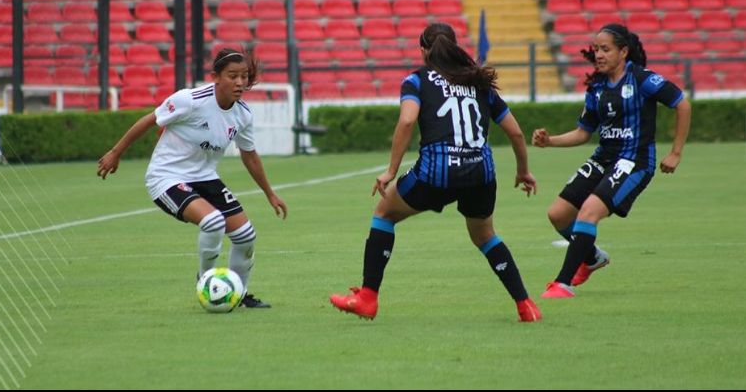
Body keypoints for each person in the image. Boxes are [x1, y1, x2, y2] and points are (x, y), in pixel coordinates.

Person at [329, 23, 542, 322]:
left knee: (384, 214)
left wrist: (390, 171)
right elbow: (517, 133)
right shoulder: (478, 82)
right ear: (455, 47)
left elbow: (406, 122)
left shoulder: (417, 80)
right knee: (485, 236)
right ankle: (525, 305)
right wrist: (523, 171)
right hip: (481, 174)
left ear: (423, 51)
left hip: (437, 172)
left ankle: (368, 297)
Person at [97, 47, 288, 308]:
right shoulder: (191, 100)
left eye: (244, 76)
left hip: (206, 177)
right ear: (216, 77)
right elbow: (149, 120)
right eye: (233, 76)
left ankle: (240, 294)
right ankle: (206, 282)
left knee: (246, 235)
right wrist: (115, 153)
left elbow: (250, 155)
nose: (240, 82)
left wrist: (270, 193)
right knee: (213, 222)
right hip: (167, 177)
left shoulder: (242, 114)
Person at [532, 24, 691, 298]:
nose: (599, 55)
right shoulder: (596, 88)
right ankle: (592, 258)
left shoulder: (641, 79)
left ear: (623, 51)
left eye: (605, 49)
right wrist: (550, 141)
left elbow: (682, 103)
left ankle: (563, 284)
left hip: (634, 161)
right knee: (557, 214)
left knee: (589, 212)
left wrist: (676, 152)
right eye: (596, 49)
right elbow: (583, 133)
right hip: (603, 158)